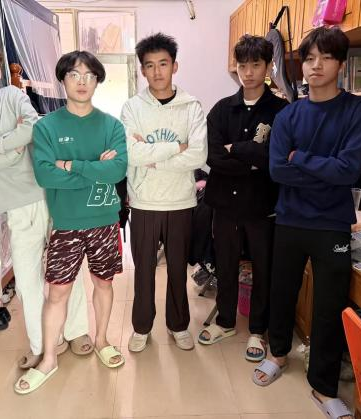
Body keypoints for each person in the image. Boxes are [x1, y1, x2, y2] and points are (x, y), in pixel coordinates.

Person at [253, 27, 361, 419]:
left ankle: (323, 387)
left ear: (341, 64)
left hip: (333, 224)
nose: (316, 66)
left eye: (326, 57)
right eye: (309, 58)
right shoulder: (288, 114)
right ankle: (277, 354)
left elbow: (348, 172)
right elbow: (277, 170)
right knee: (281, 293)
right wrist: (323, 169)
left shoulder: (358, 111)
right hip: (290, 219)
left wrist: (300, 158)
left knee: (329, 305)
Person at [0, 38, 92, 376]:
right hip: (12, 205)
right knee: (27, 282)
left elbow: (32, 128)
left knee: (66, 268)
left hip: (46, 193)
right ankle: (43, 344)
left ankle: (77, 331)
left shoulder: (14, 96)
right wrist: (8, 153)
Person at [16, 50, 127, 394]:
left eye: (89, 75)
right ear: (62, 79)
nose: (82, 82)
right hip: (66, 223)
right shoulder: (46, 127)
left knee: (104, 284)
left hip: (104, 221)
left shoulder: (112, 125)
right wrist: (95, 168)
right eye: (74, 75)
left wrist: (71, 166)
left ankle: (102, 340)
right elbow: (45, 175)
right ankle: (49, 358)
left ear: (97, 81)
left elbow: (117, 170)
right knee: (58, 292)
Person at [198, 35, 287, 362]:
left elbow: (276, 158)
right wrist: (252, 160)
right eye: (242, 65)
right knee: (225, 265)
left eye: (256, 65)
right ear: (236, 67)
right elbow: (212, 156)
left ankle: (257, 330)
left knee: (263, 269)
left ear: (268, 66)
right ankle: (225, 321)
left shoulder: (281, 111)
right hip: (225, 204)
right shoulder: (222, 109)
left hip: (262, 206)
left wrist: (238, 149)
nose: (248, 72)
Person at [121, 33, 207, 352]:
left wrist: (153, 157)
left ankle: (178, 325)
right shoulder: (132, 108)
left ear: (174, 66)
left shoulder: (191, 107)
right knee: (143, 271)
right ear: (142, 70)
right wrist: (175, 148)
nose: (157, 72)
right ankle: (141, 327)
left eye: (163, 64)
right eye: (150, 65)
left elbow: (198, 155)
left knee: (177, 269)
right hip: (144, 202)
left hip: (181, 201)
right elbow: (131, 153)